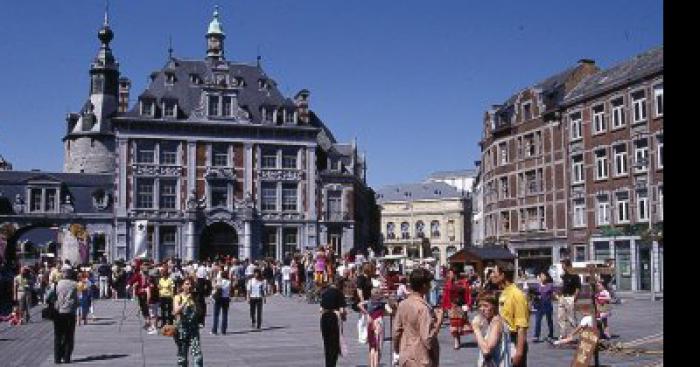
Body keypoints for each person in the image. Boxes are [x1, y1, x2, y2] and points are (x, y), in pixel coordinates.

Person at [393, 267, 444, 367]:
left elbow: (396, 331)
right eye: (429, 284)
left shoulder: (403, 304)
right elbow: (427, 338)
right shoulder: (423, 308)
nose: (430, 286)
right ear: (424, 285)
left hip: (406, 355)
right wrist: (439, 322)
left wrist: (397, 350)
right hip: (421, 357)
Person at [491, 261, 529, 367]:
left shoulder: (517, 294)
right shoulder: (504, 292)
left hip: (514, 341)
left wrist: (519, 353)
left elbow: (522, 326)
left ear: (503, 275)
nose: (491, 275)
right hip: (504, 340)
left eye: (494, 272)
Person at [471, 291, 511, 367]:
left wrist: (476, 328)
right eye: (480, 306)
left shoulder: (496, 322)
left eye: (486, 306)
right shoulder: (492, 321)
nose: (482, 309)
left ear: (495, 306)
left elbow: (486, 350)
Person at [173, 277, 204, 367]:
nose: (189, 286)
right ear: (182, 286)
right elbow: (175, 311)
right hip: (182, 330)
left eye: (191, 284)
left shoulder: (195, 297)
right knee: (182, 357)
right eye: (187, 284)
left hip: (194, 329)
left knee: (198, 355)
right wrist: (185, 300)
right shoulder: (178, 297)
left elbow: (200, 311)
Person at [361, 287, 392, 367]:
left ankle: (371, 365)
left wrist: (366, 312)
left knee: (372, 347)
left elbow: (359, 304)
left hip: (370, 324)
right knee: (378, 347)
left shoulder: (369, 302)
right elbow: (390, 311)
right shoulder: (382, 303)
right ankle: (376, 365)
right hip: (378, 323)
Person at [320, 277, 348, 367]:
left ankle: (327, 364)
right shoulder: (339, 293)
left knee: (327, 344)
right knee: (334, 345)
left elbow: (321, 309)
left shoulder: (325, 292)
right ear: (340, 285)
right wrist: (343, 316)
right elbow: (342, 310)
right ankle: (332, 365)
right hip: (334, 319)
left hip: (324, 318)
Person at [52, 267, 78, 364]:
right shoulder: (74, 284)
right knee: (69, 335)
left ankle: (57, 358)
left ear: (62, 274)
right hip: (70, 312)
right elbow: (78, 296)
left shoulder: (57, 284)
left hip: (59, 312)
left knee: (58, 336)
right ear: (70, 274)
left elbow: (50, 295)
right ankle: (66, 357)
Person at [442, 269, 471, 350]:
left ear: (455, 275)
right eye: (449, 274)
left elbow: (466, 296)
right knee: (453, 325)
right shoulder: (448, 284)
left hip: (461, 306)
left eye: (451, 273)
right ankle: (456, 341)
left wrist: (467, 308)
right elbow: (445, 296)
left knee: (460, 325)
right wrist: (444, 307)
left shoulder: (463, 283)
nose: (450, 275)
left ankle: (458, 339)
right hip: (452, 306)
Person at [557, 259, 581, 340]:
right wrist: (560, 296)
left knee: (571, 317)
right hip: (563, 297)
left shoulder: (575, 275)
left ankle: (573, 335)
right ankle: (563, 334)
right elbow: (563, 286)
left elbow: (578, 288)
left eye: (563, 265)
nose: (562, 266)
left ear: (567, 265)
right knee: (561, 316)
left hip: (570, 297)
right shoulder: (564, 275)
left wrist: (574, 298)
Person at [532, 271, 555, 343]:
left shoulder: (550, 285)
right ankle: (536, 335)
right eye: (541, 276)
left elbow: (554, 294)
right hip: (539, 305)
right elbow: (533, 295)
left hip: (547, 304)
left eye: (544, 275)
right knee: (537, 321)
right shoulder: (537, 286)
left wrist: (559, 298)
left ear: (547, 277)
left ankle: (550, 335)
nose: (542, 277)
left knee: (549, 320)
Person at [211, 270, 232, 335]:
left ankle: (214, 330)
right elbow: (230, 290)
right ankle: (223, 330)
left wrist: (213, 281)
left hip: (219, 299)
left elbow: (215, 287)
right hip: (226, 298)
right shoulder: (229, 282)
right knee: (225, 314)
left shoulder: (220, 281)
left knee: (216, 315)